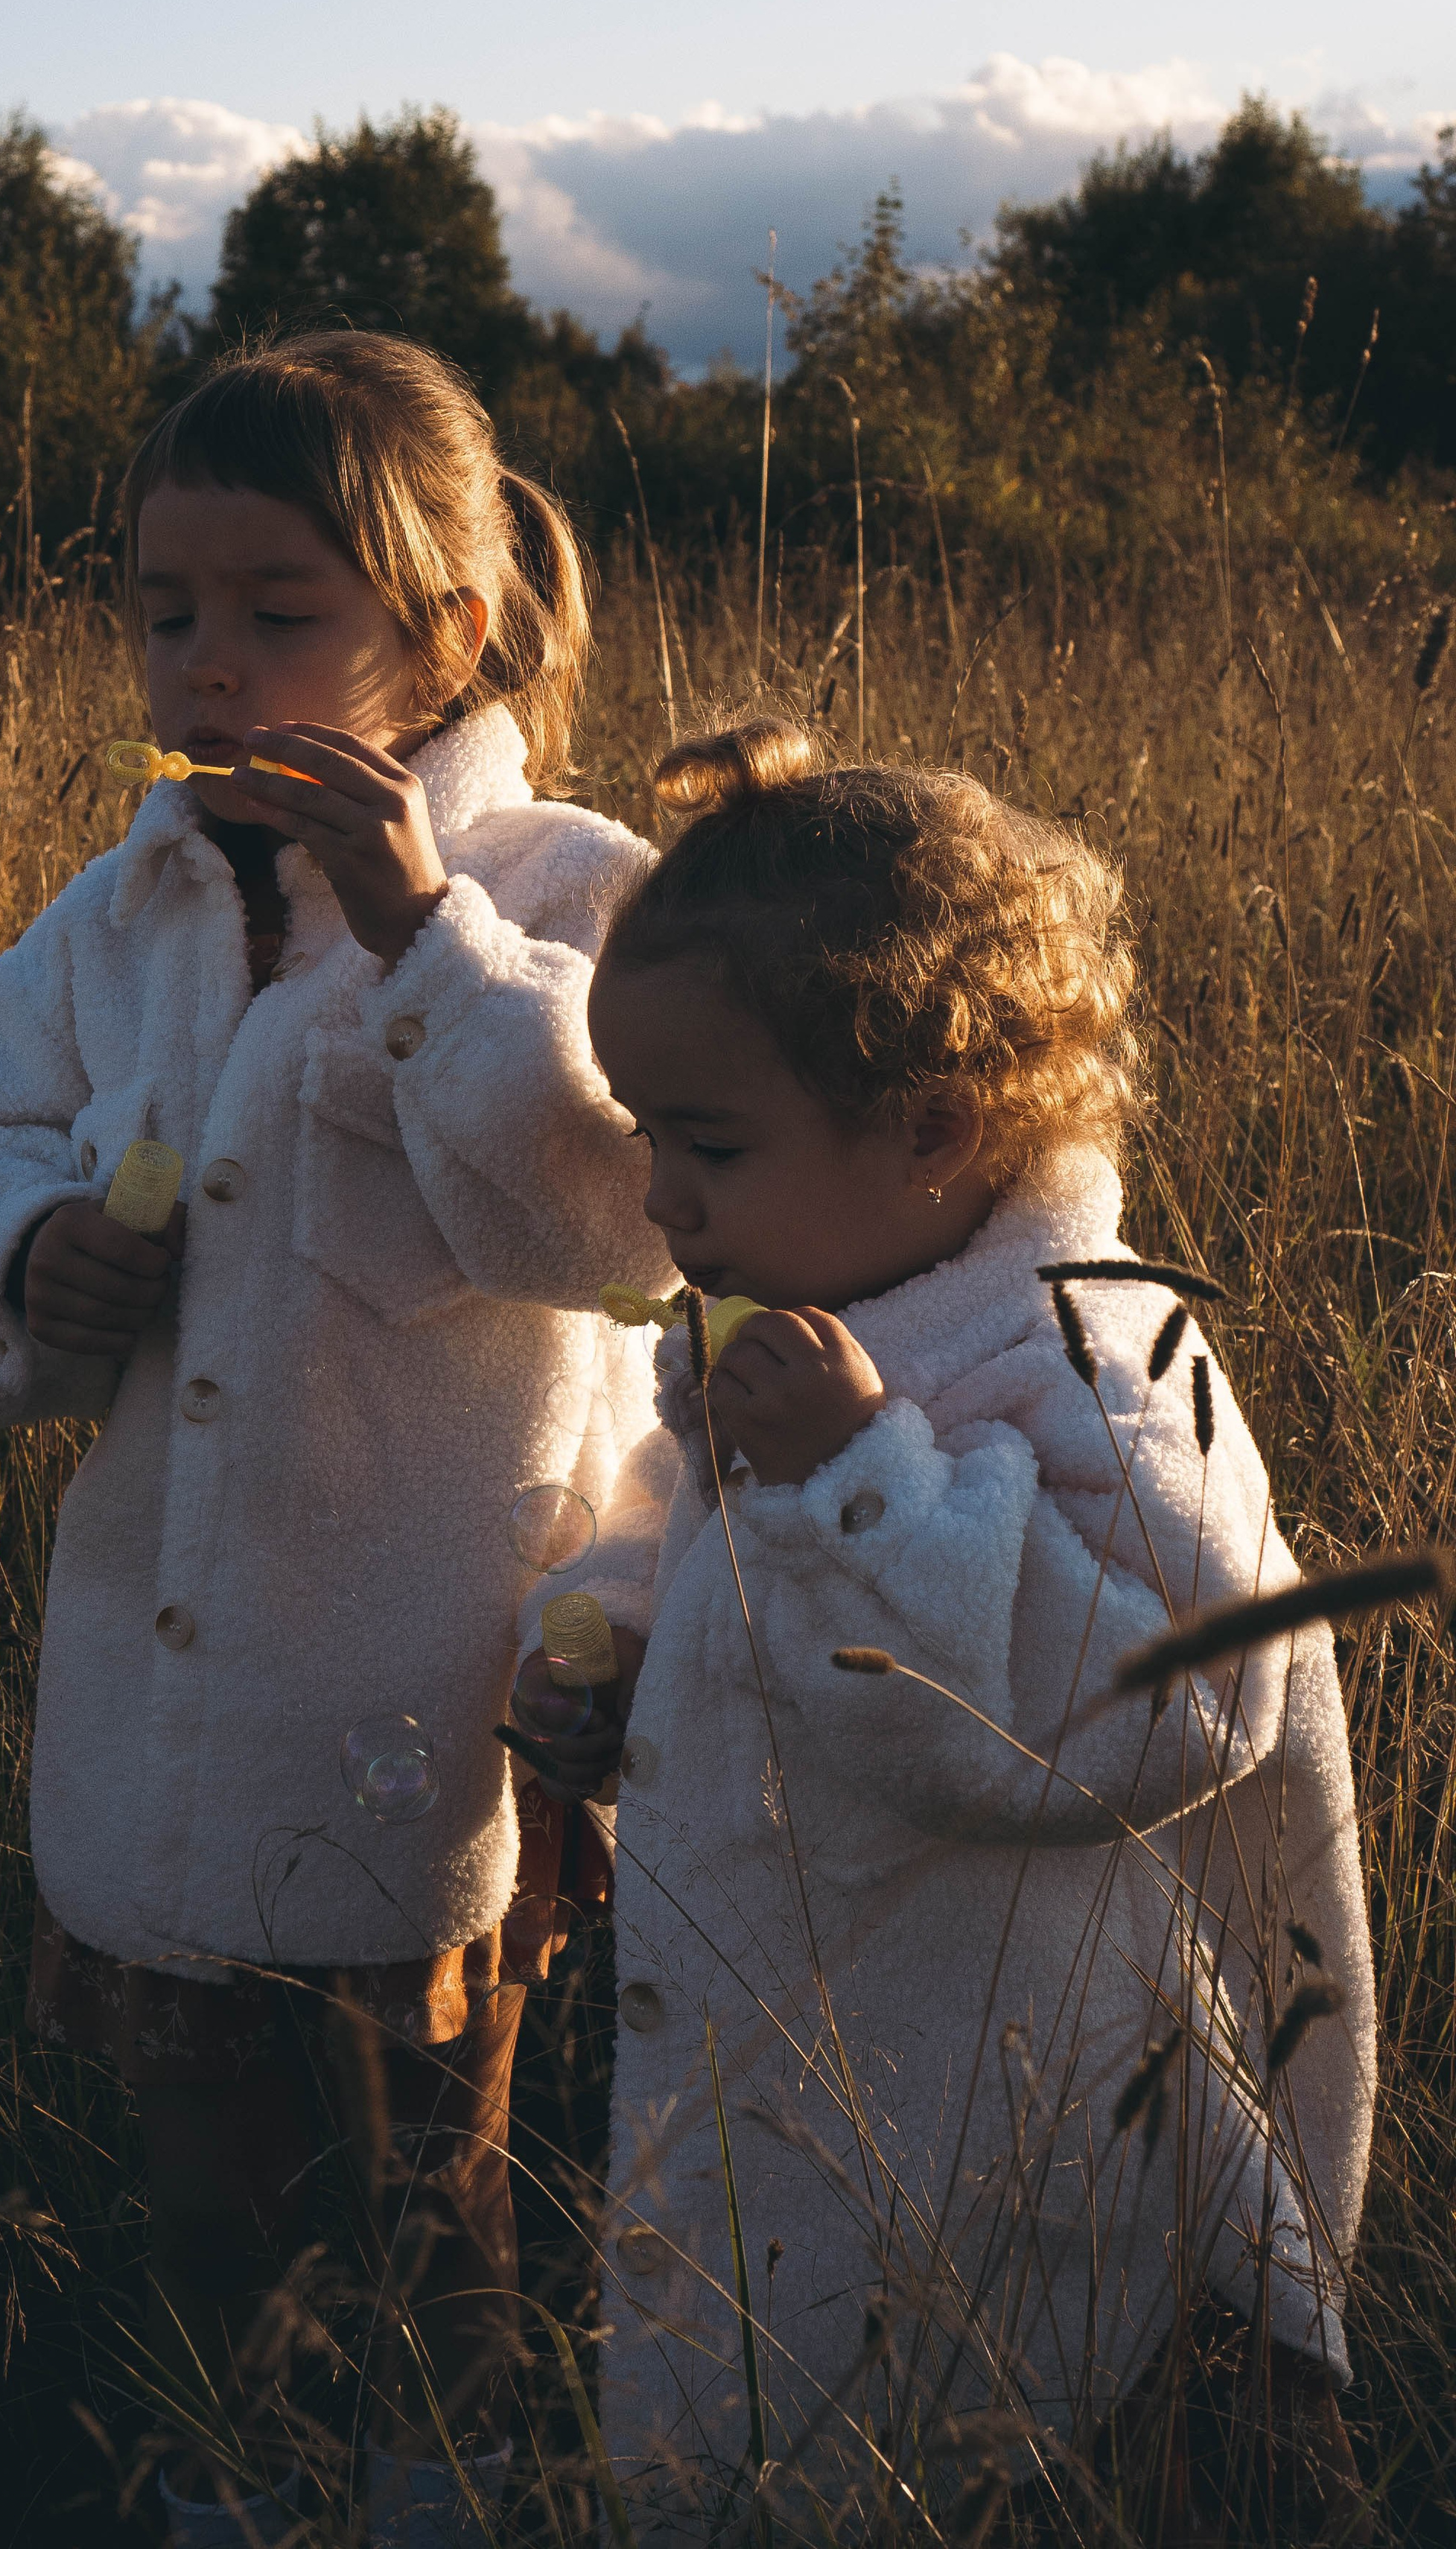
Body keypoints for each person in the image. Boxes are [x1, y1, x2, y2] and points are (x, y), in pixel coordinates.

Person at [0, 332, 673, 2545]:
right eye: (165, 610)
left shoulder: (579, 897)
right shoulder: (118, 919)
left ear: (449, 630)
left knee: (427, 2208)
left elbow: (616, 1229)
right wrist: (27, 1261)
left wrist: (426, 937)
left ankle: (437, 2503)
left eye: (277, 611)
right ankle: (243, 2501)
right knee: (208, 2203)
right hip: (162, 1697)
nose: (208, 664)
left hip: (409, 1704)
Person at [533, 717, 1373, 2540]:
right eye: (639, 1132)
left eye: (708, 1140)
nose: (658, 1195)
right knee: (793, 2418)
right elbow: (688, 1525)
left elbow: (1165, 1710)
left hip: (1018, 2135)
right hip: (803, 2089)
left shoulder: (1099, 1356)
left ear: (931, 1129)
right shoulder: (817, 1291)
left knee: (988, 2468)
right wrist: (607, 1643)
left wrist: (863, 1489)